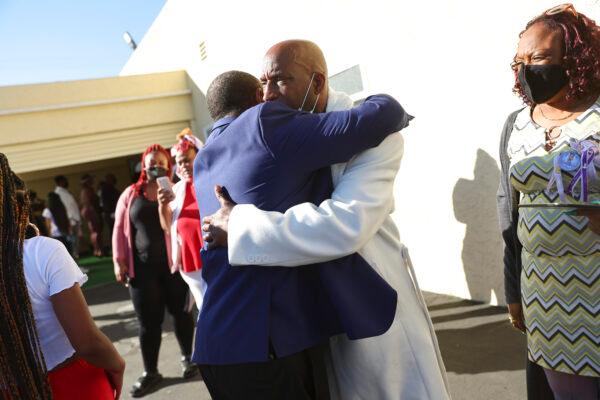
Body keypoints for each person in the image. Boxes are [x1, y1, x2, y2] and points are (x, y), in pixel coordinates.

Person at [201, 40, 450, 400]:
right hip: (311, 324)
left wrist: (240, 226)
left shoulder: (375, 139)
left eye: (281, 81)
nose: (267, 95)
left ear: (318, 83)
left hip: (369, 311)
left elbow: (344, 226)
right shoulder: (272, 135)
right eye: (263, 83)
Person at [497, 4, 600, 399]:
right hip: (545, 296)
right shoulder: (517, 123)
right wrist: (512, 291)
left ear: (574, 59)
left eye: (538, 58)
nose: (527, 70)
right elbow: (508, 211)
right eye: (519, 61)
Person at [0, 153, 125, 400]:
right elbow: (87, 343)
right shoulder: (42, 252)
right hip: (75, 383)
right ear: (15, 203)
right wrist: (117, 365)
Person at [112, 144, 198, 398]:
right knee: (148, 322)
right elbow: (119, 227)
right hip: (142, 270)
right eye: (151, 163)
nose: (156, 167)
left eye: (161, 162)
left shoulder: (175, 190)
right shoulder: (130, 194)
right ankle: (151, 372)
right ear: (143, 165)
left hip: (173, 266)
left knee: (182, 314)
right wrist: (119, 260)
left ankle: (188, 358)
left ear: (168, 166)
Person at [157, 128, 206, 308]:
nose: (183, 166)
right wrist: (162, 204)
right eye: (179, 162)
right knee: (205, 308)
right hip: (189, 262)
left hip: (216, 256)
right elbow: (167, 226)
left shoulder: (211, 183)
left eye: (188, 160)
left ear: (199, 157)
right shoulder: (176, 190)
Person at [54, 174, 81, 259]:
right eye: (64, 180)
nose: (66, 182)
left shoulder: (65, 192)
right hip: (70, 221)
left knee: (75, 244)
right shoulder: (58, 193)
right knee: (72, 245)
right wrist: (70, 221)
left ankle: (77, 265)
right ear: (59, 182)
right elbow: (65, 208)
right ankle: (76, 266)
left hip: (74, 220)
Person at [80, 174, 104, 257]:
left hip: (90, 212)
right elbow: (89, 203)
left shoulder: (86, 190)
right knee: (95, 232)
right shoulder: (87, 190)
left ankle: (97, 249)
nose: (93, 181)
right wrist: (95, 214)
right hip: (92, 213)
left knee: (94, 231)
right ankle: (98, 250)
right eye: (91, 180)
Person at [99, 173, 121, 238]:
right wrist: (112, 213)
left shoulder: (109, 188)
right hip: (111, 214)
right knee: (114, 231)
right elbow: (107, 203)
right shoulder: (106, 189)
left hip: (112, 213)